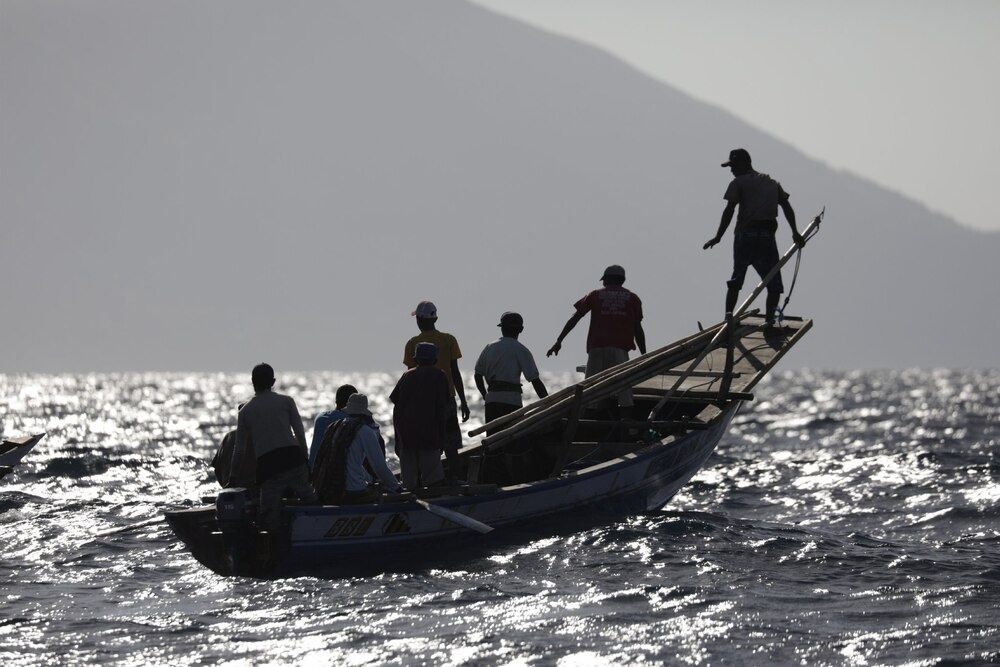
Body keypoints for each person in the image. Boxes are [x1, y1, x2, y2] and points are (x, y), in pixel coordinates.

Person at [703, 148, 805, 326]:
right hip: (766, 237)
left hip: (746, 237)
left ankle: (728, 318)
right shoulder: (771, 183)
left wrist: (718, 236)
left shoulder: (738, 183)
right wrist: (795, 232)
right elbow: (786, 206)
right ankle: (769, 322)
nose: (732, 170)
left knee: (737, 278)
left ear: (745, 163)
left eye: (734, 165)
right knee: (773, 282)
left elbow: (729, 210)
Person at [547, 265, 646, 418]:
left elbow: (575, 318)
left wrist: (559, 340)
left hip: (597, 349)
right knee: (624, 393)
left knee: (590, 391)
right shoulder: (632, 298)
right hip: (620, 351)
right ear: (622, 280)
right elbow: (637, 329)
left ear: (607, 279)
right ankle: (626, 427)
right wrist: (644, 355)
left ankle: (586, 424)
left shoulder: (595, 295)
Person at [231, 363, 317, 532]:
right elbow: (300, 434)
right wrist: (306, 460)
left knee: (269, 516)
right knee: (310, 499)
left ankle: (274, 542)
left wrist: (232, 478)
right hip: (294, 459)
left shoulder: (245, 411)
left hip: (269, 466)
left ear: (252, 381)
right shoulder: (287, 401)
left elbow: (239, 450)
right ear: (273, 382)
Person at [403, 301, 470, 477]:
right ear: (435, 318)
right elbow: (455, 373)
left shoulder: (412, 343)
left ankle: (424, 480)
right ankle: (455, 480)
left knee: (424, 443)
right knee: (451, 446)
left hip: (421, 403)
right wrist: (463, 401)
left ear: (418, 320)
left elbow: (410, 378)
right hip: (447, 400)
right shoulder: (449, 340)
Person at [311, 393, 403, 505]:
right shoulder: (365, 430)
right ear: (365, 412)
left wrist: (370, 479)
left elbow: (349, 462)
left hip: (328, 489)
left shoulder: (334, 426)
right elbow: (379, 466)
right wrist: (397, 488)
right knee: (384, 491)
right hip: (352, 491)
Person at [474, 311, 548, 433]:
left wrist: (485, 395)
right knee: (512, 439)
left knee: (492, 439)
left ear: (502, 328)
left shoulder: (489, 347)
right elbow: (535, 381)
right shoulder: (522, 350)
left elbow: (478, 374)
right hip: (512, 402)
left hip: (492, 402)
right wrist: (548, 403)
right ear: (521, 329)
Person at [390, 341, 450, 488]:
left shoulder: (407, 375)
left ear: (415, 359)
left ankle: (409, 500)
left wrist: (398, 439)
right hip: (429, 434)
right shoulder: (439, 376)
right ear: (435, 360)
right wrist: (442, 438)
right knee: (433, 480)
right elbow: (441, 410)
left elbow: (397, 408)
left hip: (406, 435)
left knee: (408, 482)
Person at [308, 383, 358, 467]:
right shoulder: (350, 421)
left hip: (313, 470)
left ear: (336, 401)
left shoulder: (320, 417)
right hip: (333, 472)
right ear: (353, 403)